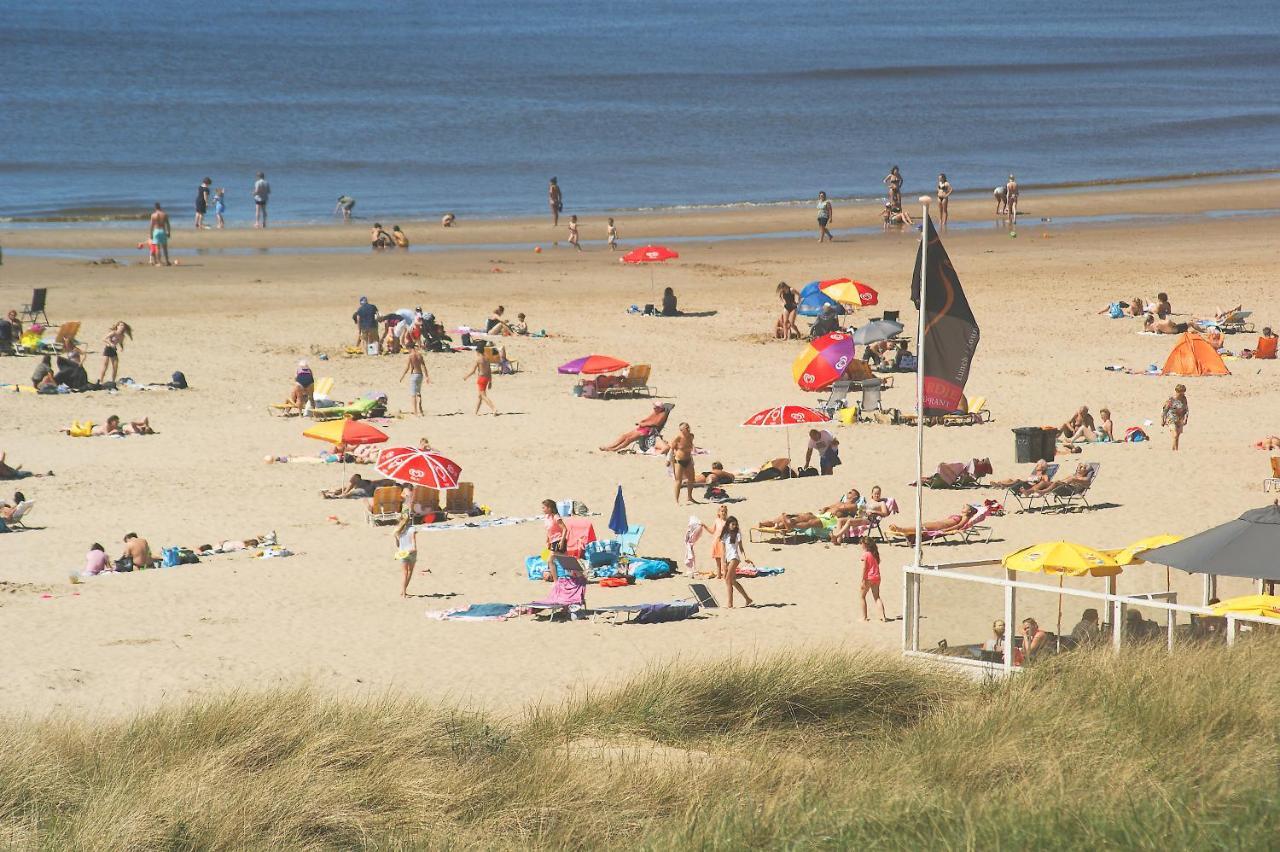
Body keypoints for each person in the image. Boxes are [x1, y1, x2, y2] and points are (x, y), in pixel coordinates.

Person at [599, 402, 673, 452]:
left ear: (660, 408)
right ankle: (609, 446)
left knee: (628, 439)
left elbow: (656, 423)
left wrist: (643, 424)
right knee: (624, 436)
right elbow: (648, 418)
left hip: (649, 430)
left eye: (656, 407)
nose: (654, 408)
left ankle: (614, 449)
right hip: (644, 427)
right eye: (654, 407)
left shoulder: (662, 414)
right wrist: (642, 422)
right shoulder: (656, 411)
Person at [888, 505, 978, 543]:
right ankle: (903, 532)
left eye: (965, 507)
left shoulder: (965, 517)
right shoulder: (962, 516)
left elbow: (959, 526)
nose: (962, 508)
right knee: (921, 526)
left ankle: (901, 529)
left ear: (969, 511)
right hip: (939, 523)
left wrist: (946, 530)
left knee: (922, 528)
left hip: (942, 526)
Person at [720, 516, 754, 608]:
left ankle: (730, 604)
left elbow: (741, 548)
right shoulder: (724, 535)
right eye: (732, 524)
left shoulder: (737, 533)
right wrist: (723, 563)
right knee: (733, 581)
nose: (734, 526)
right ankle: (748, 599)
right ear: (728, 524)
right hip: (728, 559)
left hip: (735, 558)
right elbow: (723, 551)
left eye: (735, 524)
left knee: (727, 579)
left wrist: (745, 557)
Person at [392, 513, 422, 598]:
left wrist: (396, 538)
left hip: (402, 553)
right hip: (411, 552)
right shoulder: (412, 529)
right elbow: (414, 545)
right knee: (409, 572)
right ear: (409, 520)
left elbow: (398, 545)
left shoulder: (398, 530)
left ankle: (404, 593)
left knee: (404, 573)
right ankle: (403, 591)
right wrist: (412, 550)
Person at [859, 537, 887, 622]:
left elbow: (864, 568)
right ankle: (883, 616)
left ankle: (864, 617)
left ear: (865, 545)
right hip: (877, 577)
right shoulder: (875, 554)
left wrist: (862, 579)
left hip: (869, 577)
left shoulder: (866, 554)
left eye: (861, 544)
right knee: (877, 597)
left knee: (862, 596)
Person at [669, 422, 698, 504]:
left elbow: (690, 445)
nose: (688, 429)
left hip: (688, 459)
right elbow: (671, 449)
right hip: (679, 461)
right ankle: (676, 500)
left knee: (691, 479)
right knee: (678, 480)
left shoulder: (691, 436)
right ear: (681, 430)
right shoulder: (678, 437)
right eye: (686, 428)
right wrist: (669, 460)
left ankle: (689, 497)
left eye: (688, 427)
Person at [397, 341, 428, 416]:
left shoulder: (411, 356)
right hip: (420, 375)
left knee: (413, 395)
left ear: (409, 348)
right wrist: (427, 376)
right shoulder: (419, 355)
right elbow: (423, 366)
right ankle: (421, 410)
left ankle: (415, 412)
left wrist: (402, 376)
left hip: (414, 375)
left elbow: (407, 367)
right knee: (418, 393)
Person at [462, 348, 496, 415]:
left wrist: (466, 376)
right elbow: (489, 371)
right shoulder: (487, 359)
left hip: (481, 379)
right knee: (480, 396)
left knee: (483, 396)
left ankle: (493, 408)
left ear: (478, 352)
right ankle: (476, 412)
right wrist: (490, 382)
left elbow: (473, 371)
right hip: (486, 378)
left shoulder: (478, 360)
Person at [700, 505, 729, 579]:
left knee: (724, 560)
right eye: (722, 511)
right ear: (719, 512)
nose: (723, 513)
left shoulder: (728, 522)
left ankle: (725, 575)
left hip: (724, 543)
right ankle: (719, 575)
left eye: (725, 512)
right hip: (716, 541)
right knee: (717, 560)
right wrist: (705, 526)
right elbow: (712, 531)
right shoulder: (716, 520)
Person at [1162, 383, 1189, 451]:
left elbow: (1186, 409)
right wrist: (1163, 419)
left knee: (1177, 436)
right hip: (1171, 418)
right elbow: (1165, 409)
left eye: (1183, 392)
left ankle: (1175, 450)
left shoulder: (1184, 398)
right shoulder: (1171, 399)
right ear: (1177, 391)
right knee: (1175, 435)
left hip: (1180, 418)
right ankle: (1173, 450)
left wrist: (1186, 419)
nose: (1182, 394)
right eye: (1180, 393)